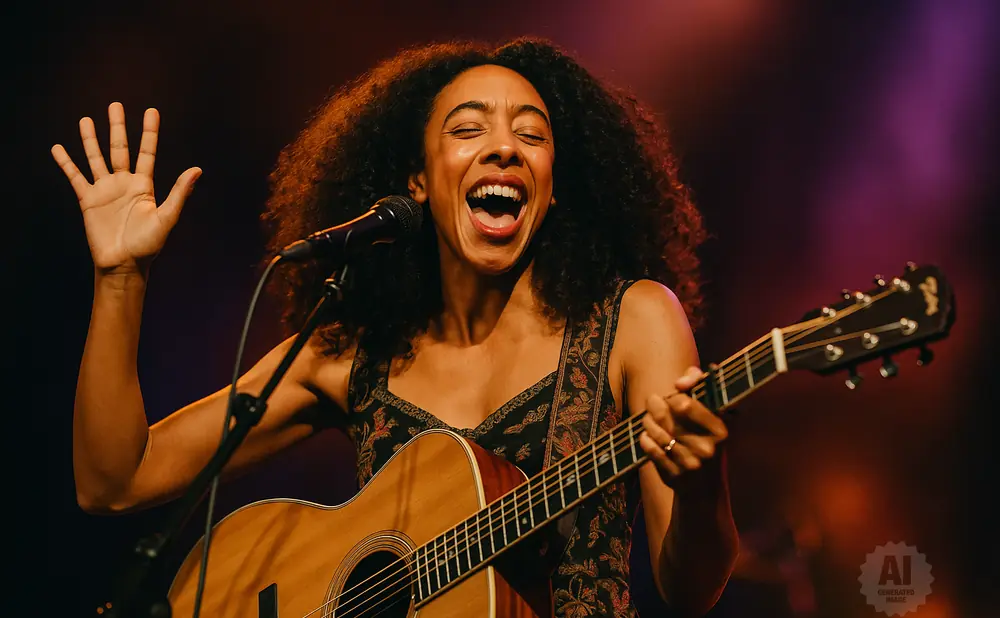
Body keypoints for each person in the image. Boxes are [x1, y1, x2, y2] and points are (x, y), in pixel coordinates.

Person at [52, 38, 739, 617]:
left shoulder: (633, 319)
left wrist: (704, 488)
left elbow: (689, 590)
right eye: (469, 129)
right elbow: (115, 480)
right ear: (417, 179)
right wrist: (120, 278)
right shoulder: (351, 352)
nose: (504, 148)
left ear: (554, 186)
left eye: (531, 134)